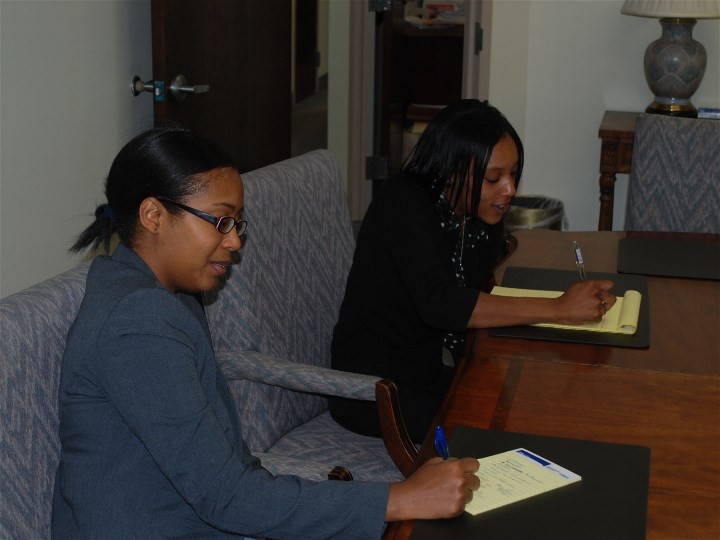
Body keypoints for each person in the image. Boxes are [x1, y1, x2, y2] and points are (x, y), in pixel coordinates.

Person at [51, 127, 481, 539]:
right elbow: (226, 497)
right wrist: (400, 498)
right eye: (221, 221)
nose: (235, 242)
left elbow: (227, 472)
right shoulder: (138, 320)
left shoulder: (162, 292)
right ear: (153, 216)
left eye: (238, 224)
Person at [330, 100, 616, 443]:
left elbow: (475, 293)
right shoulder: (401, 204)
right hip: (373, 391)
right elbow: (443, 304)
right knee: (509, 432)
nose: (510, 189)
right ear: (451, 172)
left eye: (513, 174)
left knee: (536, 407)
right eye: (494, 178)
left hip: (424, 374)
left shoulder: (476, 215)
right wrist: (558, 308)